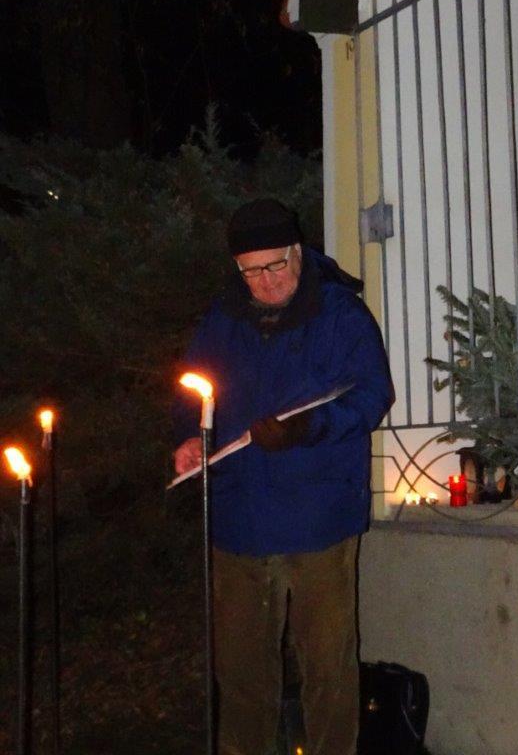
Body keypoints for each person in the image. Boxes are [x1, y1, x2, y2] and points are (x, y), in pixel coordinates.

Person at [172, 198, 393, 755]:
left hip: (319, 518)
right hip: (239, 518)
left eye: (275, 265)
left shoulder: (340, 315)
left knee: (327, 667)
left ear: (298, 252)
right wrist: (190, 439)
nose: (266, 282)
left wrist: (308, 429)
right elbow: (193, 390)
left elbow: (372, 395)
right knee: (242, 672)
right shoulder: (223, 319)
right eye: (251, 271)